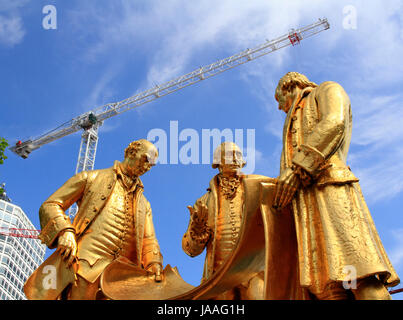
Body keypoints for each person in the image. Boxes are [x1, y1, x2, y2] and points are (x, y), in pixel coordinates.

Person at [273, 72, 400, 300]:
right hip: (305, 202)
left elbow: (335, 122)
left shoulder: (326, 89)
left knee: (360, 272)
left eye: (279, 100)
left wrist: (296, 169)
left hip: (331, 187)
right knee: (327, 287)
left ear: (288, 87)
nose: (280, 108)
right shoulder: (291, 120)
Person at [24, 139, 163, 300]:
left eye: (150, 165)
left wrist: (154, 264)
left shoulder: (144, 204)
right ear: (131, 152)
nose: (146, 167)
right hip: (85, 266)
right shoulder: (91, 178)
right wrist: (65, 231)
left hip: (124, 278)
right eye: (146, 159)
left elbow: (149, 239)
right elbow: (50, 204)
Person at [182, 142, 266, 300]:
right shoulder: (203, 203)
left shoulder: (259, 188)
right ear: (217, 162)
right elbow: (191, 251)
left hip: (254, 270)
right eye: (229, 155)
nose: (234, 159)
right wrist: (197, 231)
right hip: (219, 276)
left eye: (238, 155)